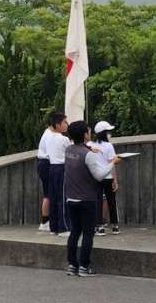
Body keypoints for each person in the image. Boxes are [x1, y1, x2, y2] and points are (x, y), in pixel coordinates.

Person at [65, 120, 121, 276]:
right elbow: (99, 175)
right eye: (88, 131)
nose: (90, 133)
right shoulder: (88, 154)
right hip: (86, 199)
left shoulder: (69, 150)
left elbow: (79, 152)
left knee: (75, 232)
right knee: (88, 233)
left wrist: (90, 148)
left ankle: (72, 265)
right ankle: (84, 266)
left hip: (71, 198)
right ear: (85, 135)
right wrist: (113, 162)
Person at [88, 120, 120, 236]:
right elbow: (112, 163)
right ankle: (115, 226)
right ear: (103, 133)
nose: (109, 134)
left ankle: (99, 227)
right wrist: (115, 180)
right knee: (111, 201)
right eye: (108, 131)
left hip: (96, 177)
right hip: (108, 177)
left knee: (98, 201)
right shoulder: (109, 146)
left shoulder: (90, 145)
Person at [46, 112, 71, 235]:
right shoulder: (64, 139)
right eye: (65, 122)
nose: (67, 124)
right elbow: (70, 152)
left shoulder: (48, 137)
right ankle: (64, 228)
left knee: (54, 198)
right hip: (61, 168)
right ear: (57, 125)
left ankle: (54, 227)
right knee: (63, 198)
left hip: (52, 168)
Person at [37, 120, 53, 232]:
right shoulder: (50, 136)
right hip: (46, 164)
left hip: (44, 163)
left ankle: (45, 221)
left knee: (47, 194)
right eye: (64, 122)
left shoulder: (47, 133)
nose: (66, 125)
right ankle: (45, 222)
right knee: (48, 194)